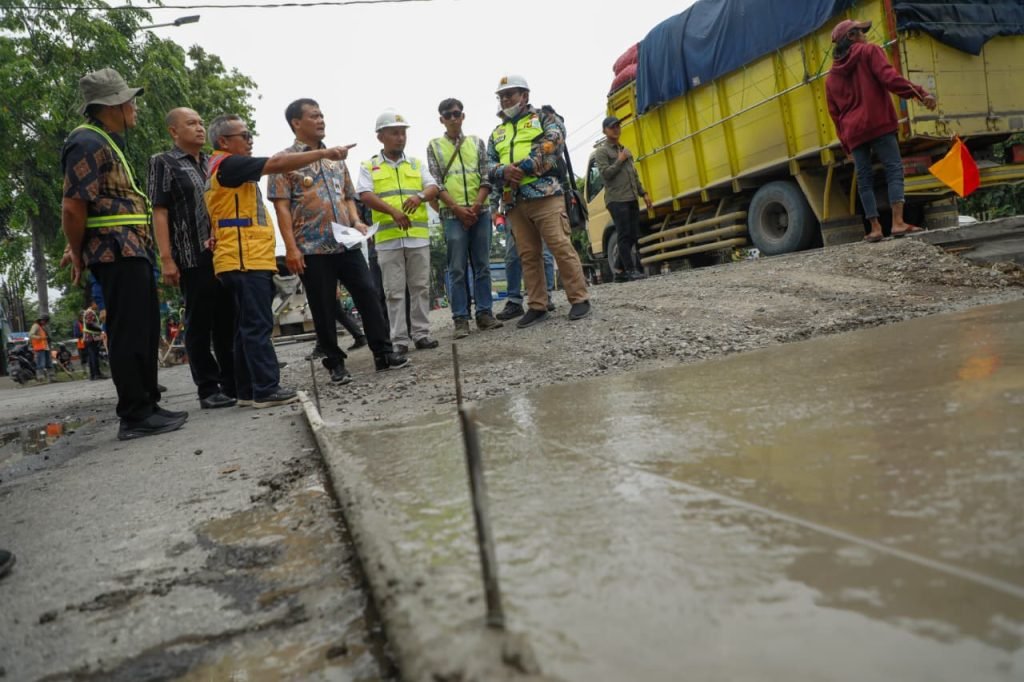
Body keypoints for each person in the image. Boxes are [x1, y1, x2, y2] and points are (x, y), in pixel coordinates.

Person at [61, 69, 186, 440]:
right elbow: (73, 207)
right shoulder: (86, 142)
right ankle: (134, 415)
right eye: (129, 100)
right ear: (112, 104)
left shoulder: (104, 141)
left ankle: (148, 404)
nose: (134, 107)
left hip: (131, 249)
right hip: (114, 251)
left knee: (145, 330)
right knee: (129, 332)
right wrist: (77, 250)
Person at [205, 113, 351, 407]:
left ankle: (246, 389)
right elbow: (276, 164)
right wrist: (324, 152)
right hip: (245, 257)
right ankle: (266, 388)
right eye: (244, 136)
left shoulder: (223, 169)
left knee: (244, 326)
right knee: (257, 325)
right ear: (224, 141)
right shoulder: (228, 164)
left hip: (238, 256)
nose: (250, 141)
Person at [269, 98, 408, 384]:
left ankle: (383, 353)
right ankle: (335, 363)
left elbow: (348, 195)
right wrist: (291, 248)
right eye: (314, 116)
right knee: (322, 307)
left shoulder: (336, 157)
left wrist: (356, 221)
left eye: (322, 115)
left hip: (346, 243)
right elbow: (281, 207)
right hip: (311, 248)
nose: (321, 120)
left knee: (368, 294)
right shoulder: (284, 161)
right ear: (296, 122)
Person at [486, 75, 591, 329]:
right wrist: (503, 171)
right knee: (528, 255)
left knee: (558, 245)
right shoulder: (497, 132)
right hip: (513, 201)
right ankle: (537, 305)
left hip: (544, 195)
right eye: (502, 96)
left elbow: (554, 140)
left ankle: (579, 298)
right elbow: (486, 164)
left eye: (510, 94)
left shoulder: (543, 118)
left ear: (525, 95)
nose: (506, 99)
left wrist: (526, 165)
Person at [149, 107, 237, 409]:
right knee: (199, 323)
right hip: (190, 255)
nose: (200, 128)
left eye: (201, 123)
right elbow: (159, 211)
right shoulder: (164, 163)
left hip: (223, 253)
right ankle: (208, 388)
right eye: (191, 124)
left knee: (228, 320)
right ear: (174, 131)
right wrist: (166, 259)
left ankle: (232, 382)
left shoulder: (213, 162)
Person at [826, 19, 938, 243]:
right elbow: (890, 78)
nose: (866, 35)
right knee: (893, 169)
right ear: (852, 36)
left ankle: (875, 228)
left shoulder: (831, 78)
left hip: (854, 133)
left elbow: (835, 115)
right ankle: (898, 223)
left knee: (865, 180)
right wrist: (919, 94)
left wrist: (846, 144)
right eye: (862, 32)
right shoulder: (870, 52)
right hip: (879, 124)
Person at [357, 110, 440, 353]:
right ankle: (399, 340)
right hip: (388, 239)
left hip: (416, 237)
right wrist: (393, 211)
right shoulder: (369, 166)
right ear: (380, 136)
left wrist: (420, 196)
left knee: (420, 287)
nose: (400, 137)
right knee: (393, 292)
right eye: (394, 132)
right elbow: (365, 194)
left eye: (403, 132)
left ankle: (421, 335)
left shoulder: (415, 163)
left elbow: (433, 186)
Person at [426, 98, 503, 339]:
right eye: (447, 115)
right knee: (457, 268)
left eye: (456, 114)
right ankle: (460, 319)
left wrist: (477, 205)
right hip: (452, 215)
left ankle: (484, 314)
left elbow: (485, 177)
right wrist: (458, 209)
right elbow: (435, 183)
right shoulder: (434, 146)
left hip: (479, 213)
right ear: (441, 119)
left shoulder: (477, 143)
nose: (453, 118)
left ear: (463, 116)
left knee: (482, 266)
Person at [593, 115, 652, 280]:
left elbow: (633, 174)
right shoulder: (602, 152)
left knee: (633, 234)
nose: (616, 129)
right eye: (612, 127)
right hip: (617, 199)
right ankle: (630, 270)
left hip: (631, 197)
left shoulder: (624, 150)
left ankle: (618, 270)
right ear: (605, 131)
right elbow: (605, 174)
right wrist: (619, 160)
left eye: (618, 126)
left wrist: (644, 193)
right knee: (624, 234)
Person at [494, 212, 556, 320]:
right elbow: (495, 194)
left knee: (544, 254)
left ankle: (546, 296)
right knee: (512, 257)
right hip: (513, 209)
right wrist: (494, 209)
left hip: (538, 205)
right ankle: (514, 302)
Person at [81, 300, 107, 380]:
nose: (98, 305)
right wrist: (101, 329)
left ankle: (93, 374)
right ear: (92, 304)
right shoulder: (90, 312)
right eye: (96, 303)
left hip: (89, 337)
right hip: (91, 337)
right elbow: (89, 324)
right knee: (94, 356)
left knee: (92, 356)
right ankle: (97, 374)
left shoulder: (88, 312)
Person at [28, 314, 53, 382]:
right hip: (39, 348)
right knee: (40, 363)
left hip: (45, 347)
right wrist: (40, 337)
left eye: (45, 321)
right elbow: (31, 334)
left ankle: (51, 377)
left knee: (49, 363)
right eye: (43, 320)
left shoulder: (42, 327)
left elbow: (46, 337)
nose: (44, 322)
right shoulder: (35, 326)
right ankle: (40, 377)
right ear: (40, 320)